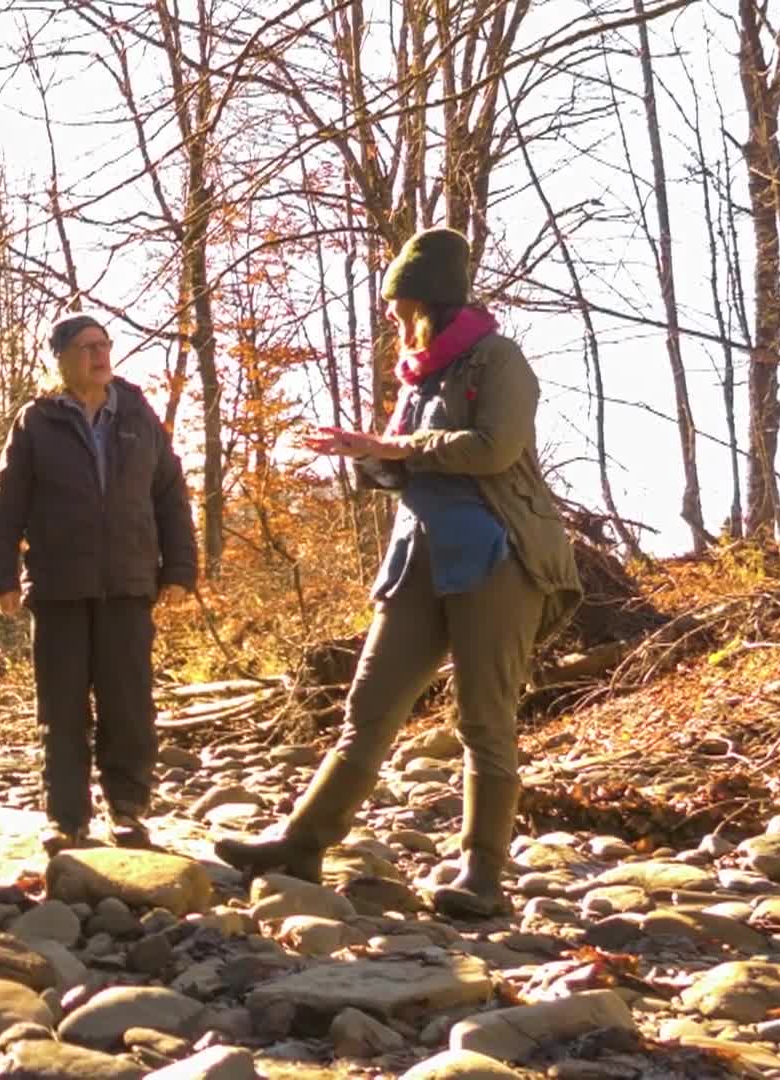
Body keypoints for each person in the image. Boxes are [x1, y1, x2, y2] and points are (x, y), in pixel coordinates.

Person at [214, 227, 582, 919]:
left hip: (498, 560)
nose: (390, 315)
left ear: (429, 301)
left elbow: (495, 448)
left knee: (484, 719)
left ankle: (482, 870)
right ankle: (302, 842)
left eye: (399, 303)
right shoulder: (420, 375)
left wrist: (396, 445)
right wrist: (366, 452)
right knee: (368, 710)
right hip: (417, 559)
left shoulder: (498, 359)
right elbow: (406, 462)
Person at [0, 312, 199, 855]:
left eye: (103, 345)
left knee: (129, 704)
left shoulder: (136, 413)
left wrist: (179, 568)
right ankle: (67, 818)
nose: (100, 356)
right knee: (61, 709)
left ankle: (127, 811)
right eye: (86, 348)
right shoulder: (36, 421)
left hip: (128, 585)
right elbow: (5, 503)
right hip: (59, 588)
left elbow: (170, 492)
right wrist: (0, 575)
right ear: (61, 359)